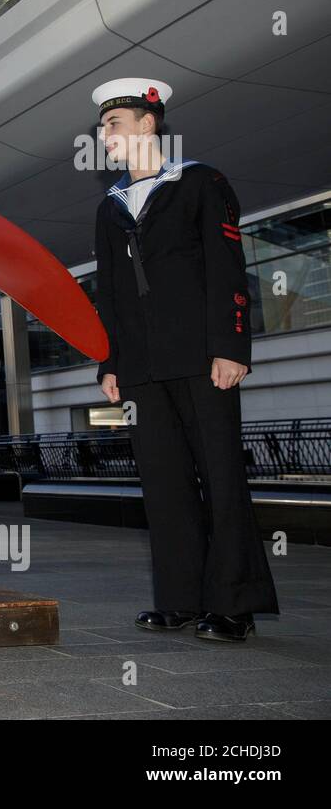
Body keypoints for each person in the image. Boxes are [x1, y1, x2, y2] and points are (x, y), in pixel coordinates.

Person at [91, 77, 278, 642]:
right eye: (101, 128)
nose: (104, 136)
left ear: (148, 124)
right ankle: (180, 599)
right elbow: (112, 295)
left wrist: (232, 346)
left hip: (203, 358)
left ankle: (233, 606)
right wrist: (110, 362)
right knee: (164, 484)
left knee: (221, 478)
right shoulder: (112, 207)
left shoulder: (200, 182)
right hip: (143, 370)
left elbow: (227, 270)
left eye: (113, 125)